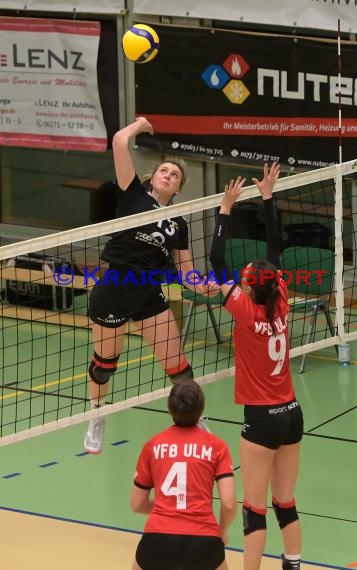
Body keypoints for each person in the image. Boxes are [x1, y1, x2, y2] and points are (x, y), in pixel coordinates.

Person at [84, 117, 219, 454]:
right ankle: (97, 416)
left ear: (178, 188)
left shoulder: (180, 223)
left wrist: (202, 287)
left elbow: (187, 274)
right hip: (115, 286)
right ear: (153, 177)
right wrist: (140, 125)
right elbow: (118, 141)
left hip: (148, 293)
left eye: (174, 175)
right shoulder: (132, 195)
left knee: (178, 365)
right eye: (164, 171)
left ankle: (197, 420)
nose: (168, 175)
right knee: (104, 367)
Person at [210, 163, 304, 570]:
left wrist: (225, 208)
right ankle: (294, 563)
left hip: (263, 419)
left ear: (249, 286)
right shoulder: (280, 297)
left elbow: (214, 260)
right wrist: (267, 196)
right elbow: (275, 250)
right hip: (292, 412)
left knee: (255, 507)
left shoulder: (246, 313)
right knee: (286, 502)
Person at [130, 379, 237, 570]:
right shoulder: (217, 447)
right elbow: (229, 504)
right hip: (203, 541)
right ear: (201, 409)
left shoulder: (152, 446)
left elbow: (137, 504)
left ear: (170, 408)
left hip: (157, 541)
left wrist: (169, 506)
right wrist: (222, 531)